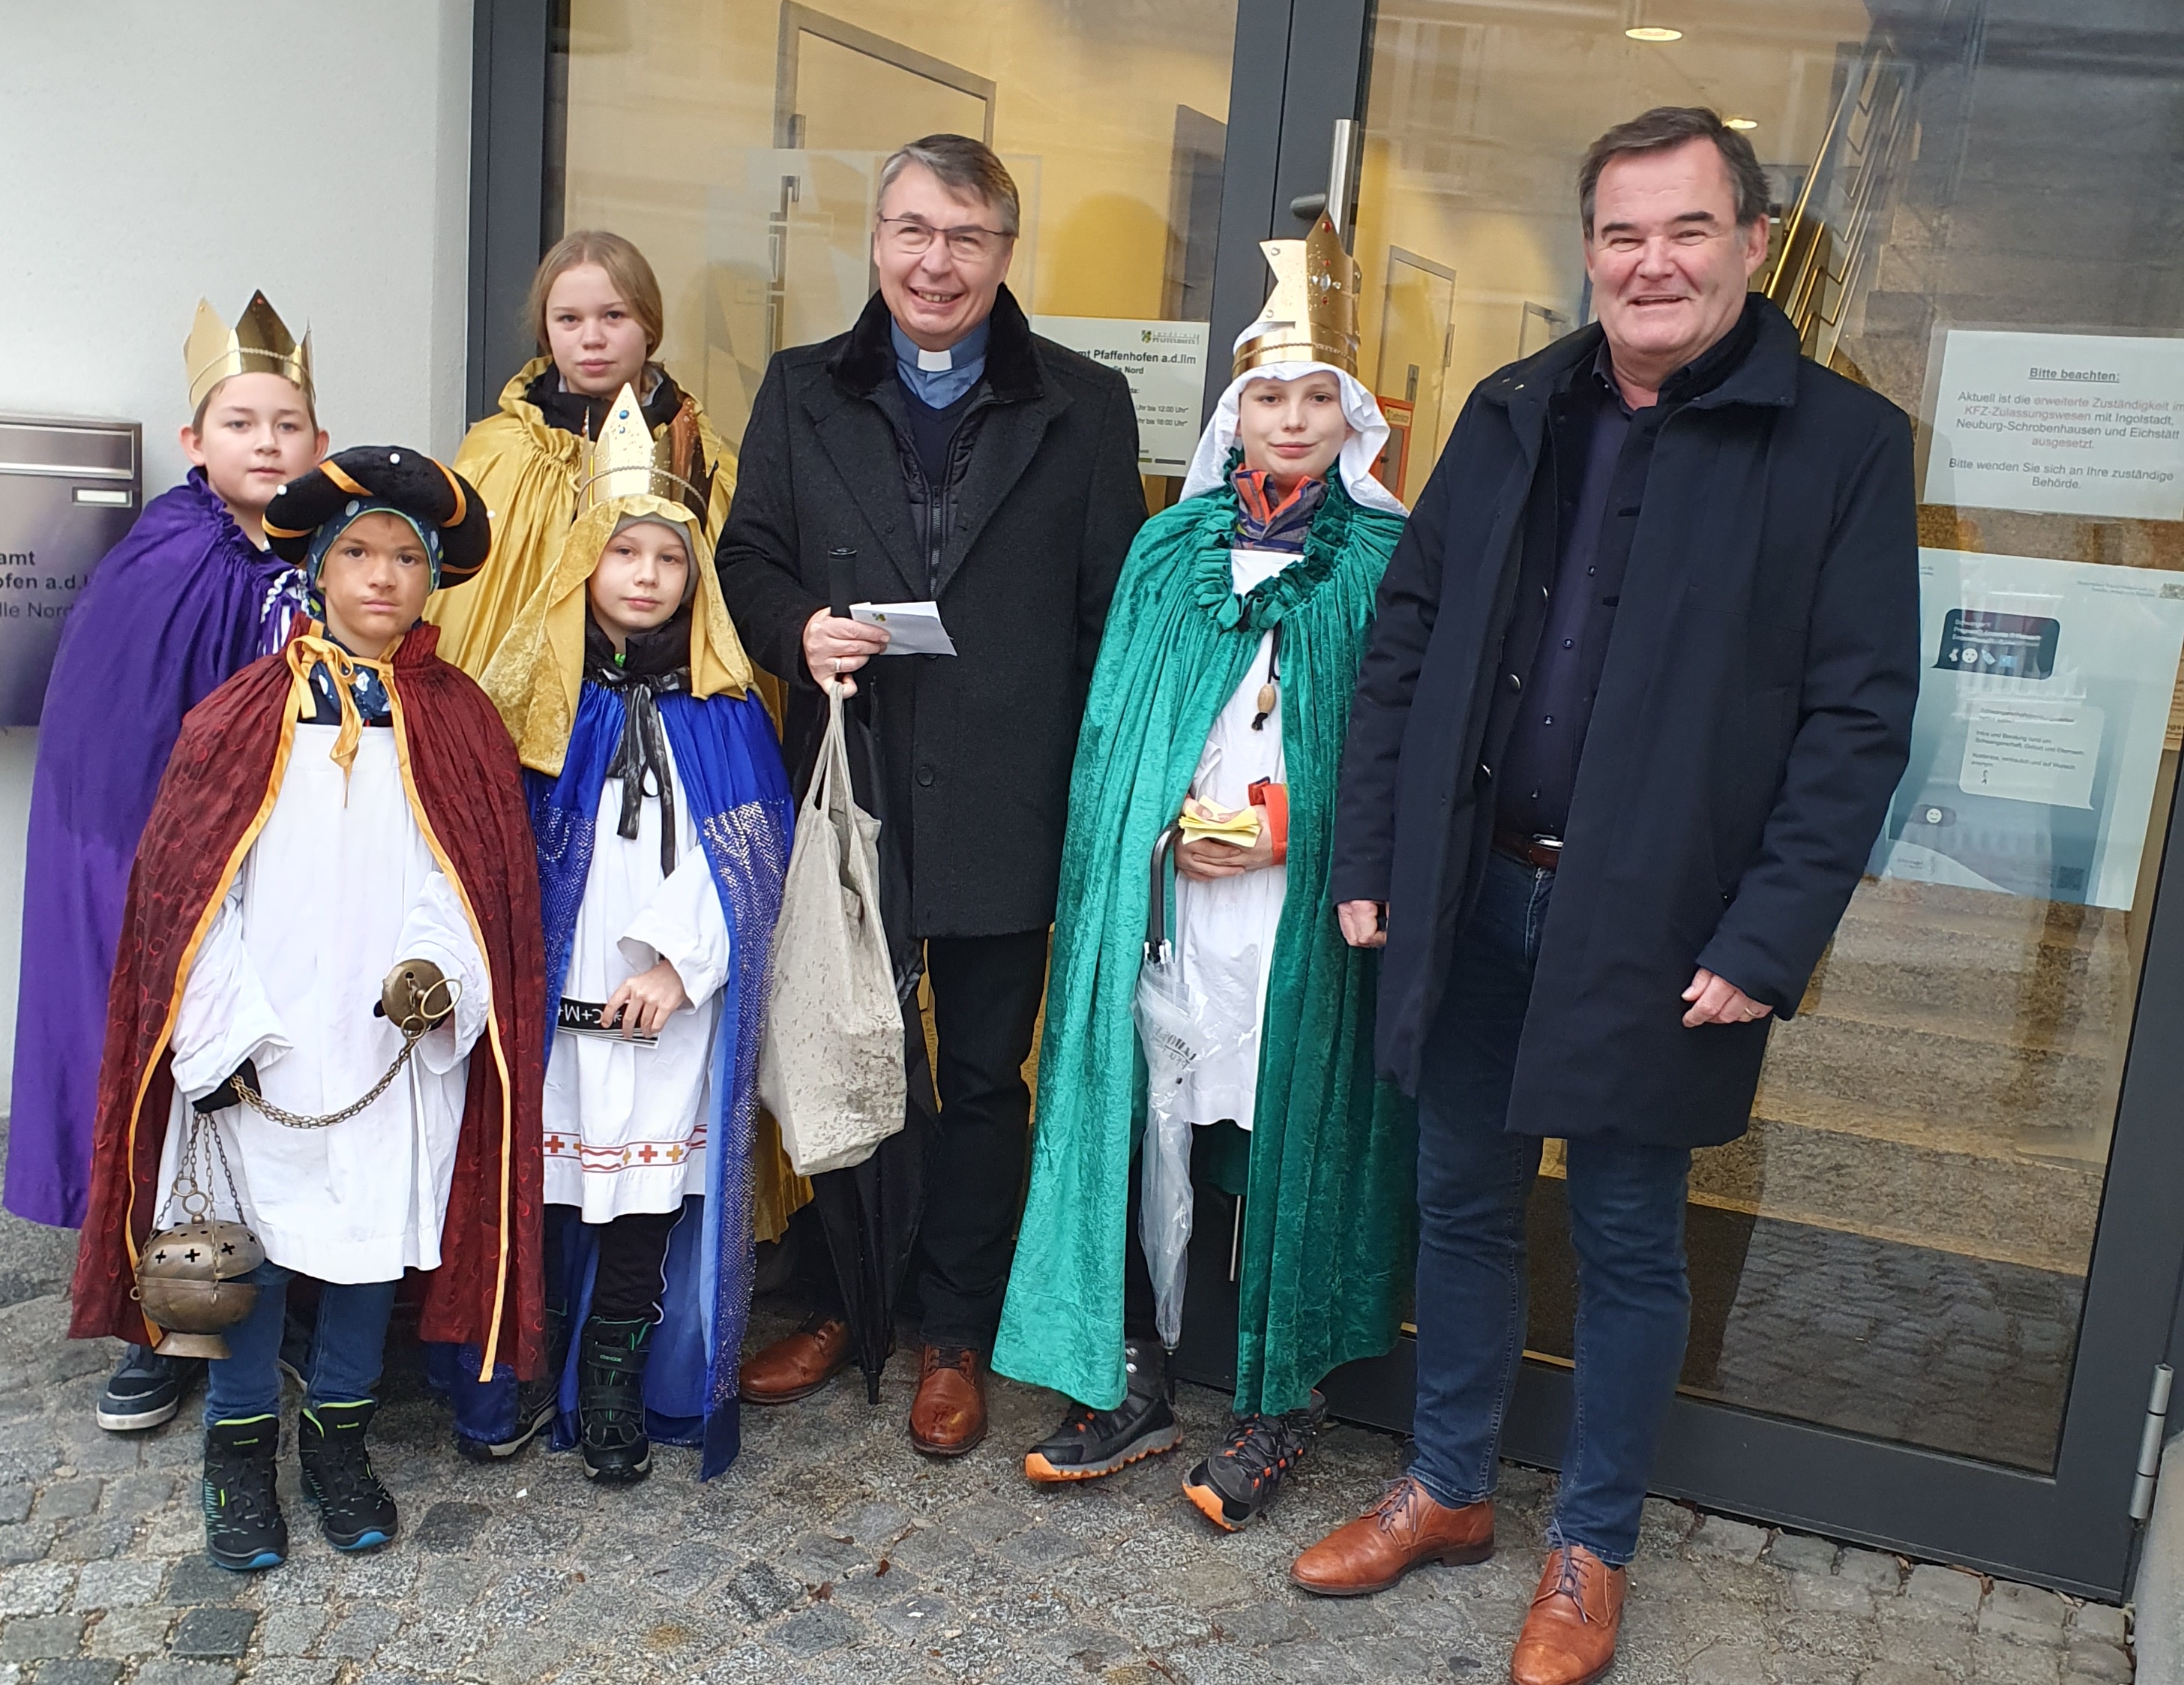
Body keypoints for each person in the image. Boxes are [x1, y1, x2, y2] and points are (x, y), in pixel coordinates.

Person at [1302, 108, 1919, 1685]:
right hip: (1473, 893)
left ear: (1748, 242)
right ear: (1588, 249)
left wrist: (1765, 937)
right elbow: (1405, 646)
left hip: (1663, 933)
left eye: (1684, 229)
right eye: (1620, 233)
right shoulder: (1514, 409)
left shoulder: (1840, 446)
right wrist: (1370, 857)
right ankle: (1445, 1490)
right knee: (1456, 1202)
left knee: (1633, 1241)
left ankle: (1589, 1545)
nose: (1649, 261)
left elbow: (1856, 722)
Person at [716, 133, 1146, 1456]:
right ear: (876, 241)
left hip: (1009, 796)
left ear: (1006, 253)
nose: (934, 261)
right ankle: (851, 1302)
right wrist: (799, 632)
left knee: (977, 1080)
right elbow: (749, 554)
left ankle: (954, 1326)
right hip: (856, 779)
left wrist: (1088, 789)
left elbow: (1106, 613)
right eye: (912, 230)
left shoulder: (1083, 402)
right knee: (849, 1044)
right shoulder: (799, 389)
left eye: (964, 237)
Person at [993, 214, 1417, 1531]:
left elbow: (1396, 740)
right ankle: (1132, 1371)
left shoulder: (1391, 566)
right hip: (1172, 904)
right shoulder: (1166, 554)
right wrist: (1141, 831)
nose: (1289, 422)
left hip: (1297, 916)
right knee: (1144, 1113)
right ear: (1235, 416)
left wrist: (1318, 825)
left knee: (1282, 1126)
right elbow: (1118, 727)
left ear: (1351, 418)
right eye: (1268, 398)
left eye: (1313, 399)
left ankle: (1275, 1400)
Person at [67, 447, 546, 1572]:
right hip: (261, 1042)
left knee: (369, 1245)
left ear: (432, 580)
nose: (382, 577)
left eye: (405, 559)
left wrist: (436, 971)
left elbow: (467, 882)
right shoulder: (241, 715)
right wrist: (221, 1030)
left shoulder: (458, 721)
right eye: (359, 554)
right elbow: (193, 895)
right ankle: (236, 1453)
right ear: (321, 570)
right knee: (240, 1251)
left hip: (388, 1047)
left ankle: (338, 1437)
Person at [442, 389, 792, 1480]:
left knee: (644, 1201)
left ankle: (612, 1385)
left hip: (666, 1005)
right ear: (586, 561)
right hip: (554, 995)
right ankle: (522, 1369)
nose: (645, 574)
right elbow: (489, 850)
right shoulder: (534, 702)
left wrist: (680, 965)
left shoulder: (726, 711)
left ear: (697, 580)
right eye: (624, 550)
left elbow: (754, 857)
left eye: (670, 559)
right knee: (542, 1190)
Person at [5, 293, 327, 1435]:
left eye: (288, 424)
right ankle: (166, 1318)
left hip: (295, 881)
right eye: (242, 422)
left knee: (283, 1090)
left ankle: (279, 1297)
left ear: (319, 444)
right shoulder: (163, 560)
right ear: (196, 441)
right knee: (171, 1093)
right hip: (176, 882)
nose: (267, 444)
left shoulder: (338, 554)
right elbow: (113, 743)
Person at [428, 229, 737, 728]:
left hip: (674, 723)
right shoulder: (499, 448)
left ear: (650, 325)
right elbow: (464, 611)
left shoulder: (699, 453)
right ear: (546, 330)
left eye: (614, 316)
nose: (591, 338)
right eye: (569, 319)